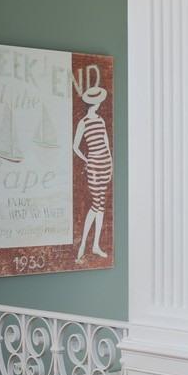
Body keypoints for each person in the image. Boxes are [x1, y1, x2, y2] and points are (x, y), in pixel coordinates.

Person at [73, 83, 112, 260]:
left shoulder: (101, 120)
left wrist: (110, 164)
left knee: (101, 205)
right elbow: (75, 146)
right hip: (94, 164)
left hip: (105, 163)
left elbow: (106, 143)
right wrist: (87, 159)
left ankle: (95, 245)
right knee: (97, 203)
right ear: (93, 103)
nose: (100, 104)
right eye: (98, 102)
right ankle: (83, 244)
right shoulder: (83, 122)